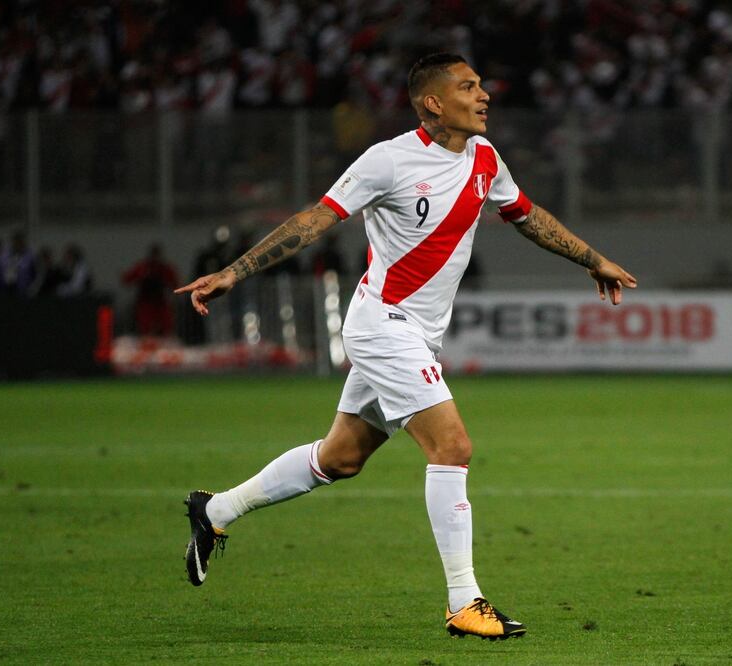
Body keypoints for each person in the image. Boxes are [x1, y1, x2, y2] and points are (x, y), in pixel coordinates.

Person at [175, 53, 637, 640]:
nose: (484, 95)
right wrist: (234, 272)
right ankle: (464, 601)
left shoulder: (485, 158)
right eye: (468, 86)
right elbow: (316, 220)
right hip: (382, 324)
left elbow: (527, 216)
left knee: (340, 458)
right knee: (453, 446)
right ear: (434, 103)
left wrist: (592, 259)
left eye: (481, 84)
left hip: (417, 333)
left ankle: (215, 510)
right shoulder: (388, 160)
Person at [122, 243, 179, 336]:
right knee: (145, 325)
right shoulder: (142, 268)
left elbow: (175, 283)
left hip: (160, 302)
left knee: (166, 324)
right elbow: (127, 279)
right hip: (145, 302)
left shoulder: (164, 269)